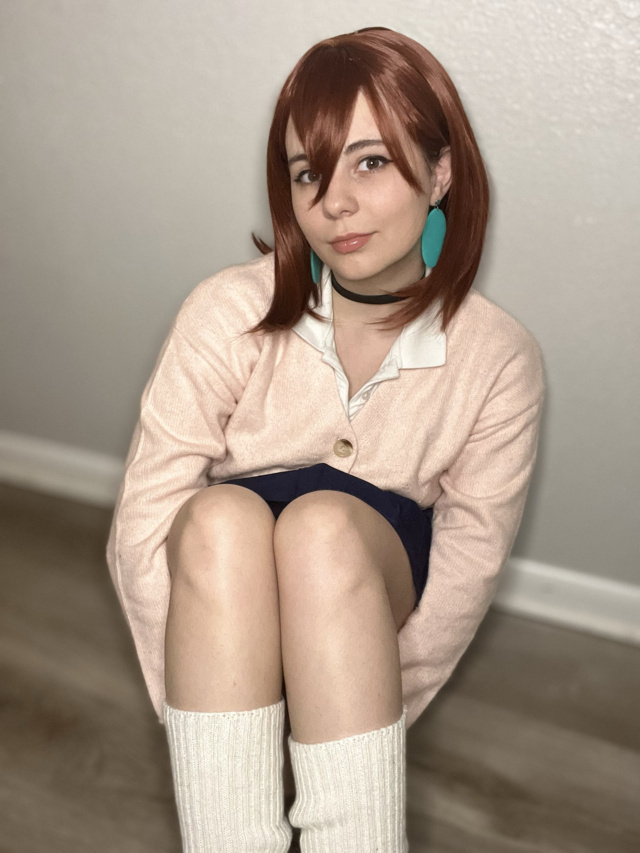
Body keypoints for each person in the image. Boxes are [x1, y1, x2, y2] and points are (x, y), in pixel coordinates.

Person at [106, 26, 545, 853]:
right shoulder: (226, 309)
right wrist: (196, 706)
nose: (333, 201)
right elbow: (146, 515)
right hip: (224, 572)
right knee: (218, 517)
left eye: (370, 162)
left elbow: (468, 562)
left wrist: (361, 710)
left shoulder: (499, 356)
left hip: (373, 567)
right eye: (309, 172)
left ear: (440, 173)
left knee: (321, 530)